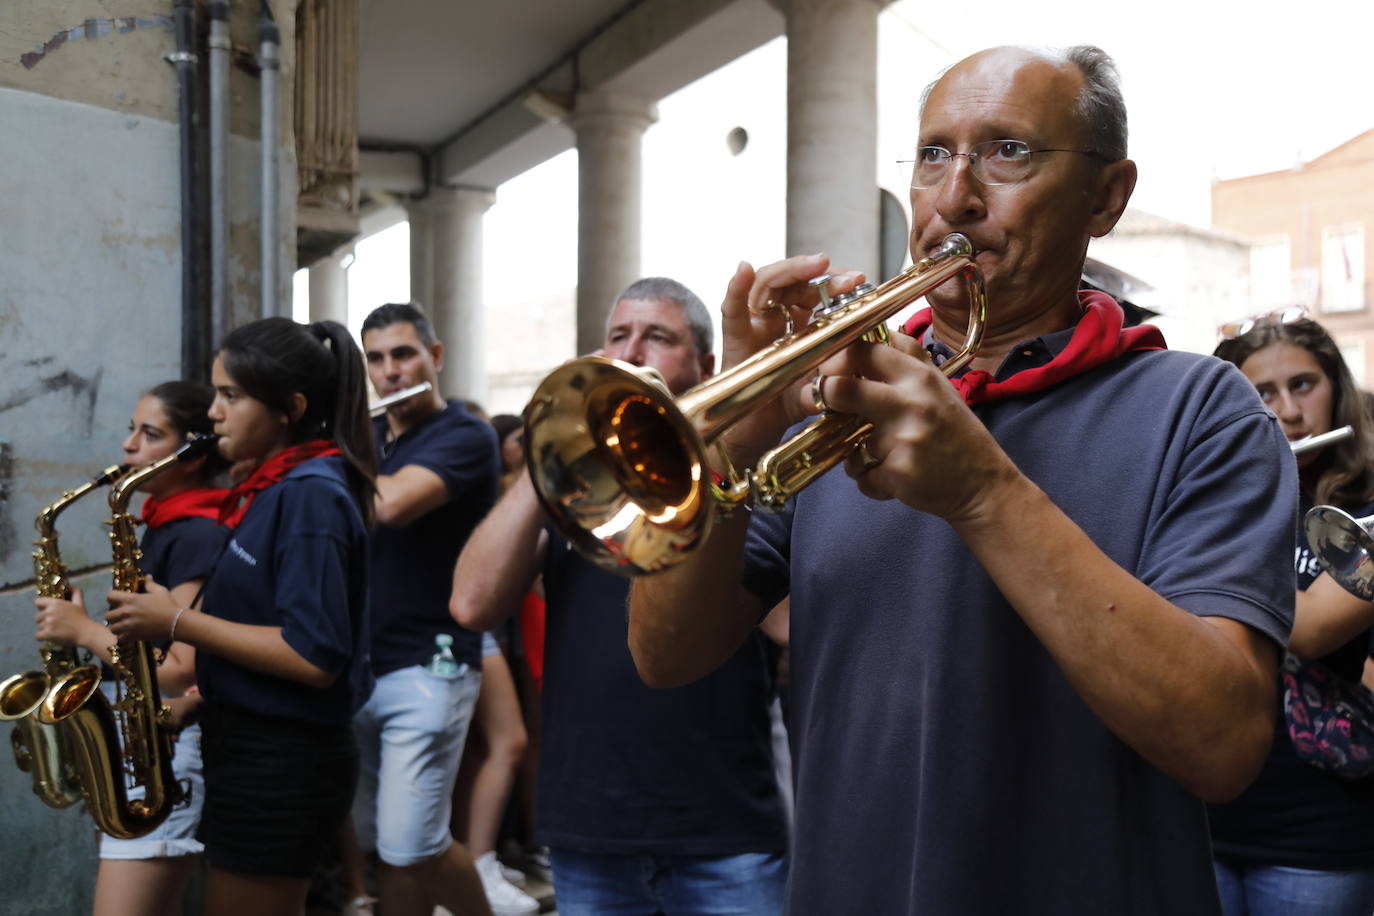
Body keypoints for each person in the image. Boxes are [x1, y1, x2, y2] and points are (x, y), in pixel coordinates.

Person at [627, 46, 1297, 914]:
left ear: (1107, 196)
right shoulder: (839, 399)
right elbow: (665, 653)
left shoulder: (1202, 408)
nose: (954, 198)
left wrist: (983, 493)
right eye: (934, 155)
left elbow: (1223, 741)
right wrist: (732, 429)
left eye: (1008, 152)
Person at [453, 277, 790, 916]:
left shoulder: (741, 475)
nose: (632, 352)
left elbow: (786, 626)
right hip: (591, 829)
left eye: (658, 338)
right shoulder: (575, 491)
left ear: (706, 366)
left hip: (723, 828)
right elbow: (472, 603)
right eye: (618, 337)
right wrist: (551, 452)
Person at [107, 318, 376, 916]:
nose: (215, 412)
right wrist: (201, 703)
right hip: (253, 750)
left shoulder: (310, 493)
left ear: (291, 408)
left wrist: (173, 621)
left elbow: (314, 656)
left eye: (232, 396)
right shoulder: (275, 490)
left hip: (281, 767)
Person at [34, 380, 228, 916]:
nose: (128, 447)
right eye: (131, 430)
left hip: (162, 748)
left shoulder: (195, 535)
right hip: (140, 739)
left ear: (191, 454)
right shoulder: (164, 527)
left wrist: (83, 632)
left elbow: (179, 669)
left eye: (150, 434)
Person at [1210, 314, 1374, 915]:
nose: (1287, 409)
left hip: (1318, 835)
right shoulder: (1219, 494)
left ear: (1335, 387)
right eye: (1262, 393)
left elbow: (1305, 630)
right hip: (1208, 809)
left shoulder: (1368, 507)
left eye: (1302, 385)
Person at [350, 302, 507, 916]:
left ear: (434, 358)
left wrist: (326, 450)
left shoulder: (464, 434)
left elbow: (389, 504)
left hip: (431, 661)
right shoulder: (371, 440)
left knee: (414, 843)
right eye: (377, 359)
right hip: (365, 664)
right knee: (387, 849)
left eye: (404, 354)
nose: (391, 372)